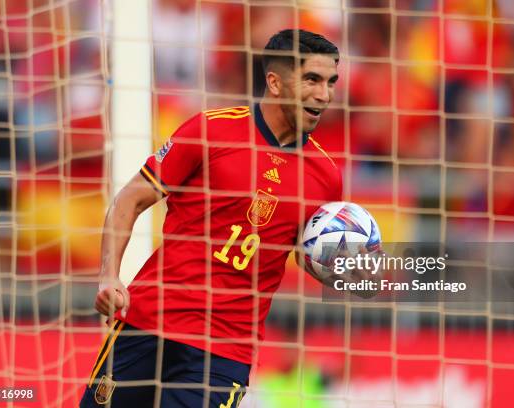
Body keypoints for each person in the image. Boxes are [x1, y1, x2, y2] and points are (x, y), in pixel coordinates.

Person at [80, 28, 342, 407]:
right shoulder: (211, 130)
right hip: (148, 323)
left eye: (331, 82)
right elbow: (130, 200)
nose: (325, 94)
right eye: (312, 80)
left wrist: (345, 266)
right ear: (275, 82)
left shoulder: (326, 175)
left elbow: (308, 255)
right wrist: (109, 274)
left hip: (224, 352)